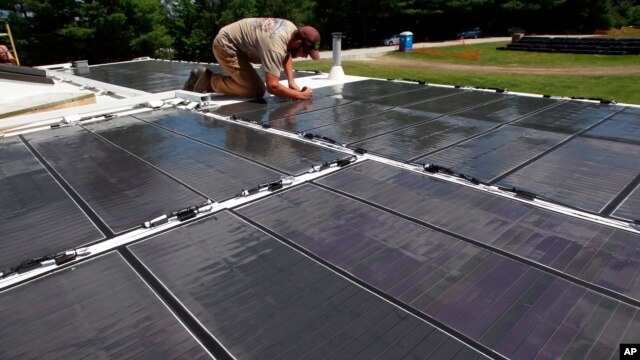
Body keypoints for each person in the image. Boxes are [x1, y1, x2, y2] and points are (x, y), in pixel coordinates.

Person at [184, 18, 320, 100]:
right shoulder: (274, 45)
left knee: (251, 84)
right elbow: (272, 87)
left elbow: (287, 52)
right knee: (257, 91)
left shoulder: (291, 29)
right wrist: (301, 96)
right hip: (225, 46)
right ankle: (208, 81)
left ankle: (222, 80)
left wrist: (291, 82)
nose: (305, 56)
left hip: (237, 44)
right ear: (298, 43)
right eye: (306, 52)